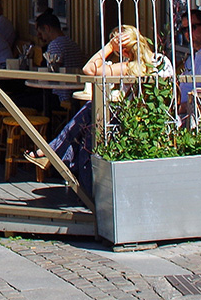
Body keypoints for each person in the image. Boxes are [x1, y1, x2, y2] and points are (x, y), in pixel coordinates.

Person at [27, 26, 170, 197]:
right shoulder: (161, 61)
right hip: (158, 121)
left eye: (119, 50)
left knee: (89, 127)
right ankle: (54, 154)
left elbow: (88, 69)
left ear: (124, 49)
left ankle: (75, 179)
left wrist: (109, 46)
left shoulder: (129, 67)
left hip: (131, 124)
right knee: (88, 124)